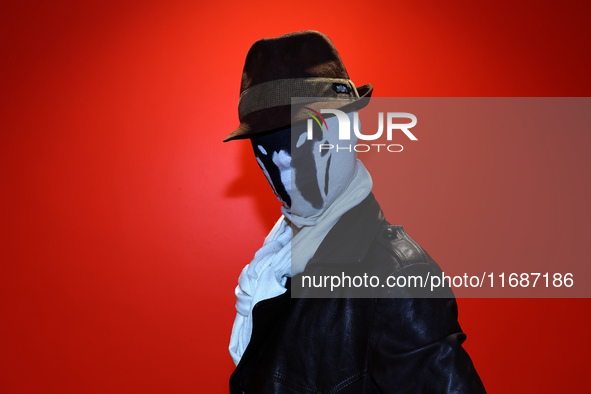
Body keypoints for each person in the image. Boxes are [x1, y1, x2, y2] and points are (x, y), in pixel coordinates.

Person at [224, 30, 485, 393]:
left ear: (350, 132)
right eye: (266, 151)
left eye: (305, 143)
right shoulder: (275, 263)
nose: (288, 177)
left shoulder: (398, 276)